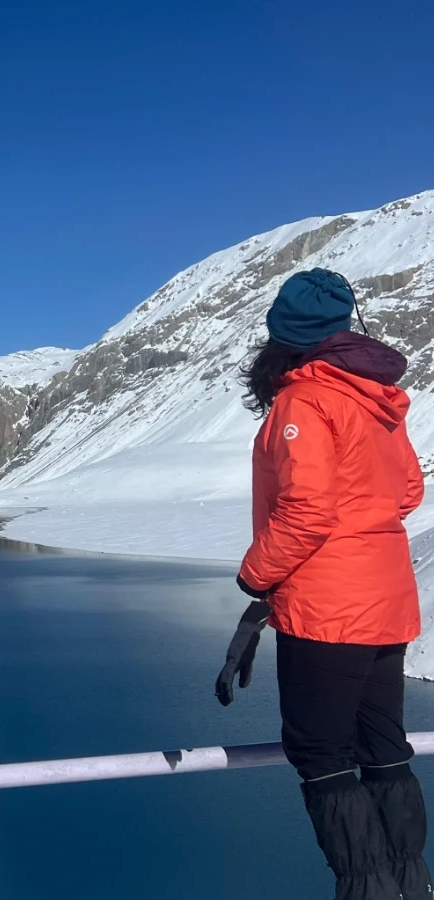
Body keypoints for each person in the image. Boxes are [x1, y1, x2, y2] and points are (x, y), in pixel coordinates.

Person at [216, 268, 431, 899]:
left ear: (282, 334)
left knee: (319, 752)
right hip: (385, 603)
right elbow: (409, 490)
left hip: (328, 610)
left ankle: (366, 890)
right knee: (384, 745)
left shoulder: (304, 401)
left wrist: (256, 575)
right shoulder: (376, 397)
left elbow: (308, 508)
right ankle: (411, 886)